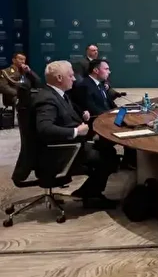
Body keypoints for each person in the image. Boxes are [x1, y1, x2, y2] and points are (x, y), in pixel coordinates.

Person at [32, 61, 118, 209]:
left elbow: (65, 115)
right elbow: (45, 128)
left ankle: (87, 192)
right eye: (71, 76)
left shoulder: (58, 94)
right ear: (59, 78)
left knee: (108, 150)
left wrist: (81, 114)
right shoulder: (47, 99)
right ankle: (91, 196)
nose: (74, 79)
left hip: (71, 144)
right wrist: (76, 131)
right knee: (108, 158)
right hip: (60, 151)